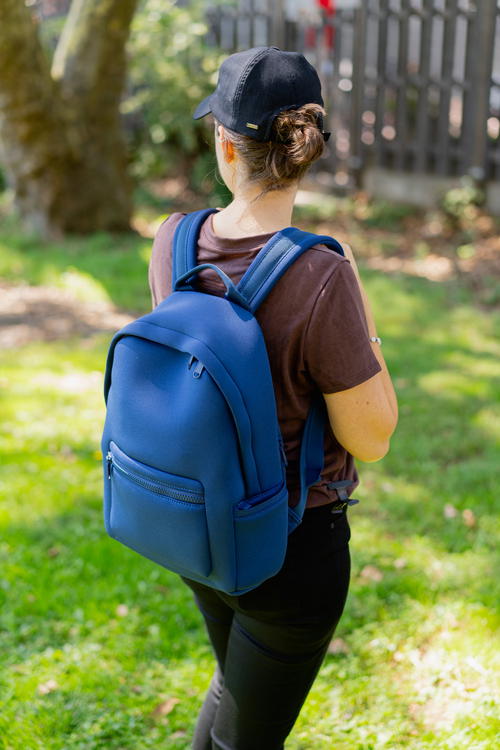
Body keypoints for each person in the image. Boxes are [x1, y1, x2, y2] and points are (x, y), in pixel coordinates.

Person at [148, 46, 398, 750]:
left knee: (237, 682)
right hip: (289, 553)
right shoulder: (323, 272)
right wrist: (359, 309)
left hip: (196, 527)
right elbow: (372, 437)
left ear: (226, 146)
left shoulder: (173, 241)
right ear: (305, 150)